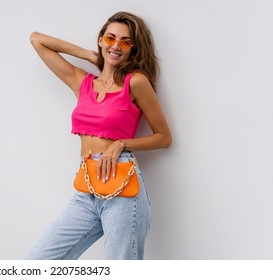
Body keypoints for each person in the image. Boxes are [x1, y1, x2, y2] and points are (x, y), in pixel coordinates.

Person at [24, 11, 172, 260]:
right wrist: (90, 55)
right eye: (110, 38)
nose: (116, 46)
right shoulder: (82, 82)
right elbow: (36, 39)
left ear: (133, 49)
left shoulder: (135, 82)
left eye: (126, 42)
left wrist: (121, 144)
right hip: (87, 189)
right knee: (37, 261)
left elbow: (164, 137)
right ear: (101, 39)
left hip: (123, 189)